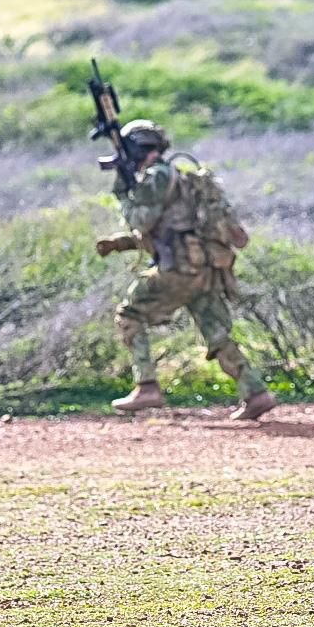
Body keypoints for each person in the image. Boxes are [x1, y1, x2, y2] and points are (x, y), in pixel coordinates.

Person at [95, 120, 276, 420]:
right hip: (205, 269)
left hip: (178, 269)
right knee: (217, 333)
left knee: (130, 315)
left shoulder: (157, 177)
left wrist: (122, 192)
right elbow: (172, 229)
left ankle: (147, 385)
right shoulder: (181, 178)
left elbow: (143, 221)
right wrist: (119, 244)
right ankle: (256, 392)